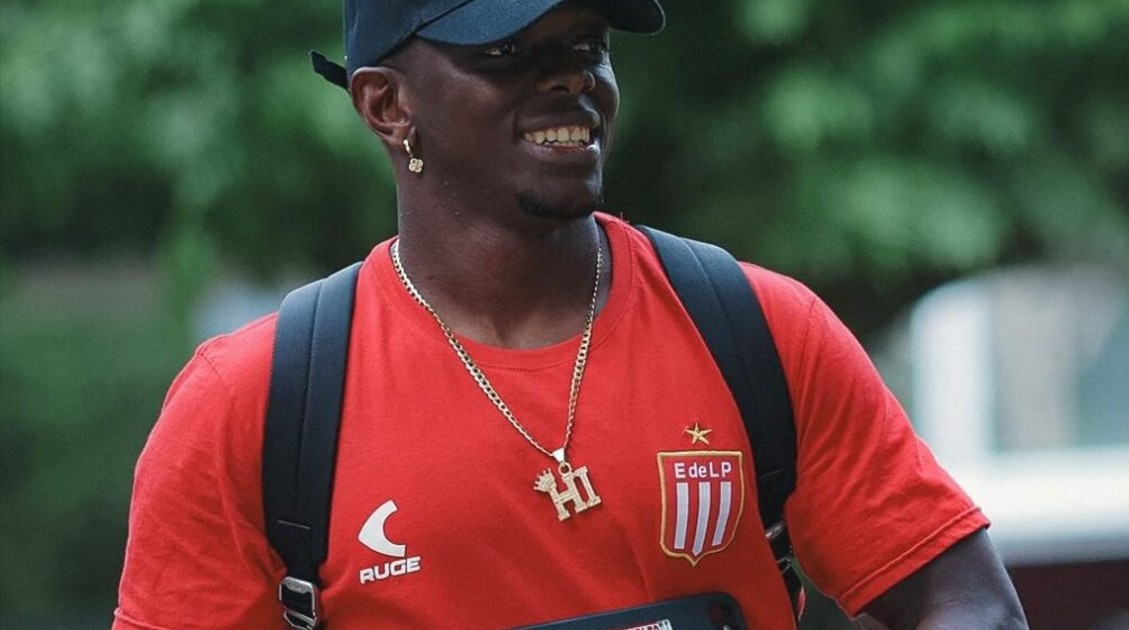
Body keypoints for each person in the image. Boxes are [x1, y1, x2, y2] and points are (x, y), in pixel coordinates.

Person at [113, 0, 1028, 628]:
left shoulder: (758, 329)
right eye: (507, 53)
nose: (569, 80)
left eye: (586, 46)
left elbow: (970, 603)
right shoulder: (255, 405)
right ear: (387, 105)